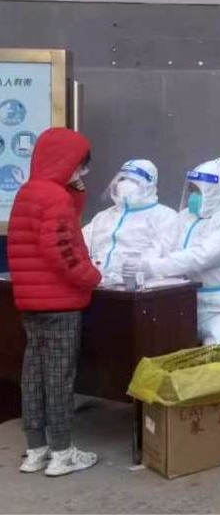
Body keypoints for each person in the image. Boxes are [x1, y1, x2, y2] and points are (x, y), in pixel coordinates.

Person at [7, 127, 101, 476]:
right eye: (80, 164)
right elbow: (63, 250)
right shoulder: (55, 197)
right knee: (59, 378)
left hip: (30, 302)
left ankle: (36, 450)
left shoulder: (28, 192)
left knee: (33, 375)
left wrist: (75, 190)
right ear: (66, 161)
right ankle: (63, 453)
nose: (82, 171)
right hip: (60, 303)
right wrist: (91, 276)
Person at [135, 158, 220, 348]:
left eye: (197, 191)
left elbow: (200, 257)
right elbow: (161, 245)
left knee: (216, 356)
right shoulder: (185, 217)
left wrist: (154, 267)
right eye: (191, 190)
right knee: (155, 345)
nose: (192, 196)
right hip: (184, 306)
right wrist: (142, 263)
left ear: (213, 192)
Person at [81, 159, 177, 285]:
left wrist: (134, 273)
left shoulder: (164, 216)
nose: (125, 184)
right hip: (96, 287)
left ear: (149, 185)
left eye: (134, 180)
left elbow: (161, 255)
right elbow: (80, 244)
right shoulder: (103, 216)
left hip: (138, 289)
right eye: (122, 179)